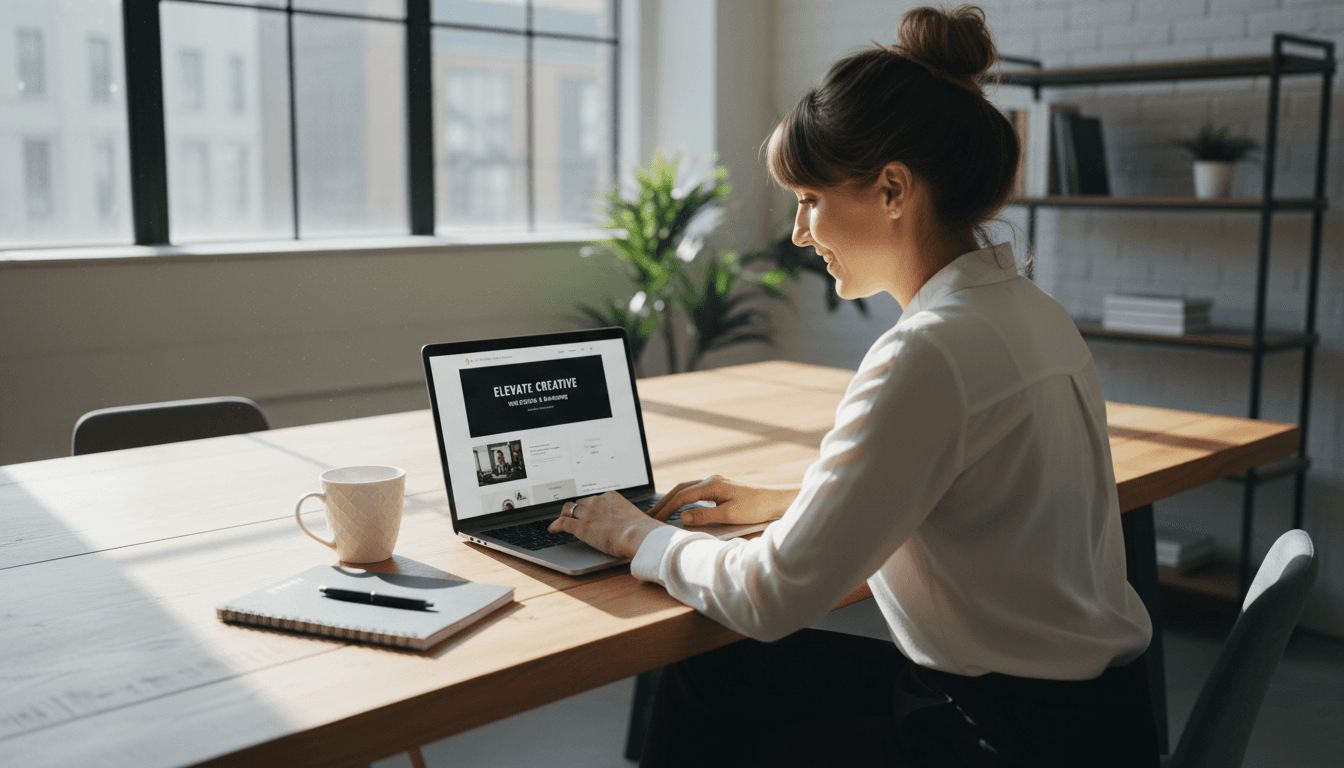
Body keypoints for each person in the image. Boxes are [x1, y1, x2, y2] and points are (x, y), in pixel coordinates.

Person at [549, 6, 1157, 767]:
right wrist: (793, 502)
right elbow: (961, 484)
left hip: (1003, 737)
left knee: (725, 692)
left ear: (894, 189)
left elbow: (770, 597)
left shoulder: (928, 351)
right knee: (715, 677)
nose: (800, 232)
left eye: (810, 199)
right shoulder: (1027, 310)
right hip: (1094, 717)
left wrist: (637, 535)